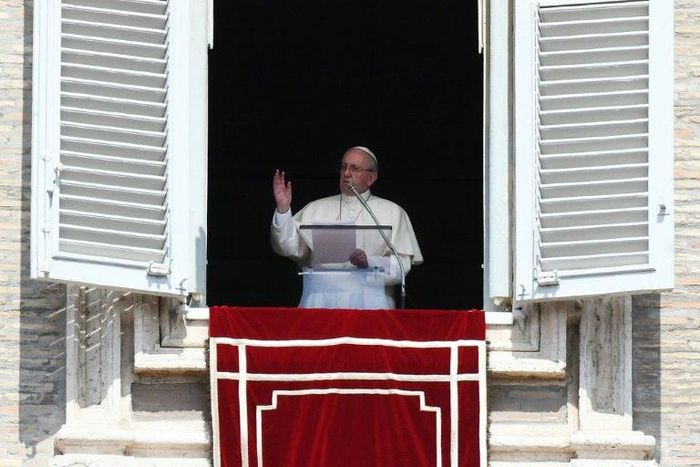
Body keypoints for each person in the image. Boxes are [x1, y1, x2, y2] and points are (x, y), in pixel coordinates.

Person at [271, 146, 423, 309]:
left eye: (354, 168)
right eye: (343, 167)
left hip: (370, 306)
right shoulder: (315, 208)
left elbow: (402, 265)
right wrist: (283, 209)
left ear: (371, 177)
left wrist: (370, 261)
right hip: (320, 304)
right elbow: (286, 247)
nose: (346, 173)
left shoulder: (393, 212)